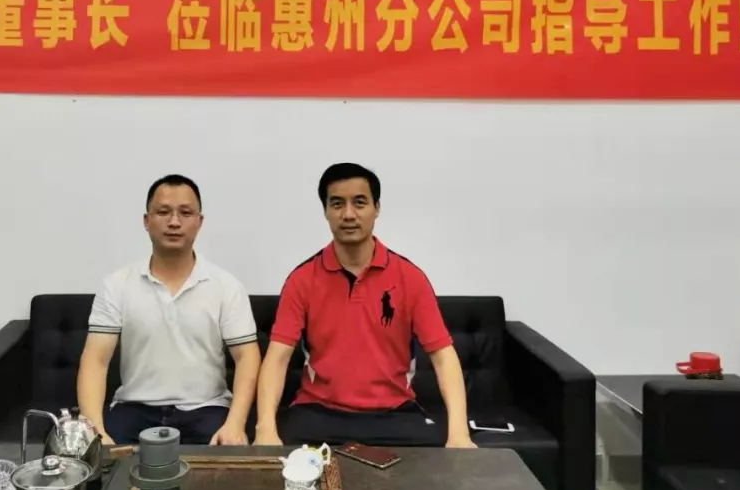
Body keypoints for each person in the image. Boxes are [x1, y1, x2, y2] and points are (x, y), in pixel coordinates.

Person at [254, 162, 476, 448]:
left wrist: (459, 434)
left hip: (394, 414)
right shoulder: (302, 279)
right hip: (318, 412)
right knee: (284, 463)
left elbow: (444, 357)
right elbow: (277, 358)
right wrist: (265, 428)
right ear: (325, 211)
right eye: (337, 204)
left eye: (359, 203)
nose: (348, 214)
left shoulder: (410, 278)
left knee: (435, 465)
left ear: (376, 208)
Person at [77, 174, 261, 445]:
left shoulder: (226, 286)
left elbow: (247, 357)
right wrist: (95, 431)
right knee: (98, 465)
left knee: (226, 465)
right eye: (163, 212)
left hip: (207, 409)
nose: (174, 222)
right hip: (134, 408)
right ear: (146, 221)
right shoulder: (117, 284)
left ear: (199, 221)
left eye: (185, 213)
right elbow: (96, 360)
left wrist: (235, 424)